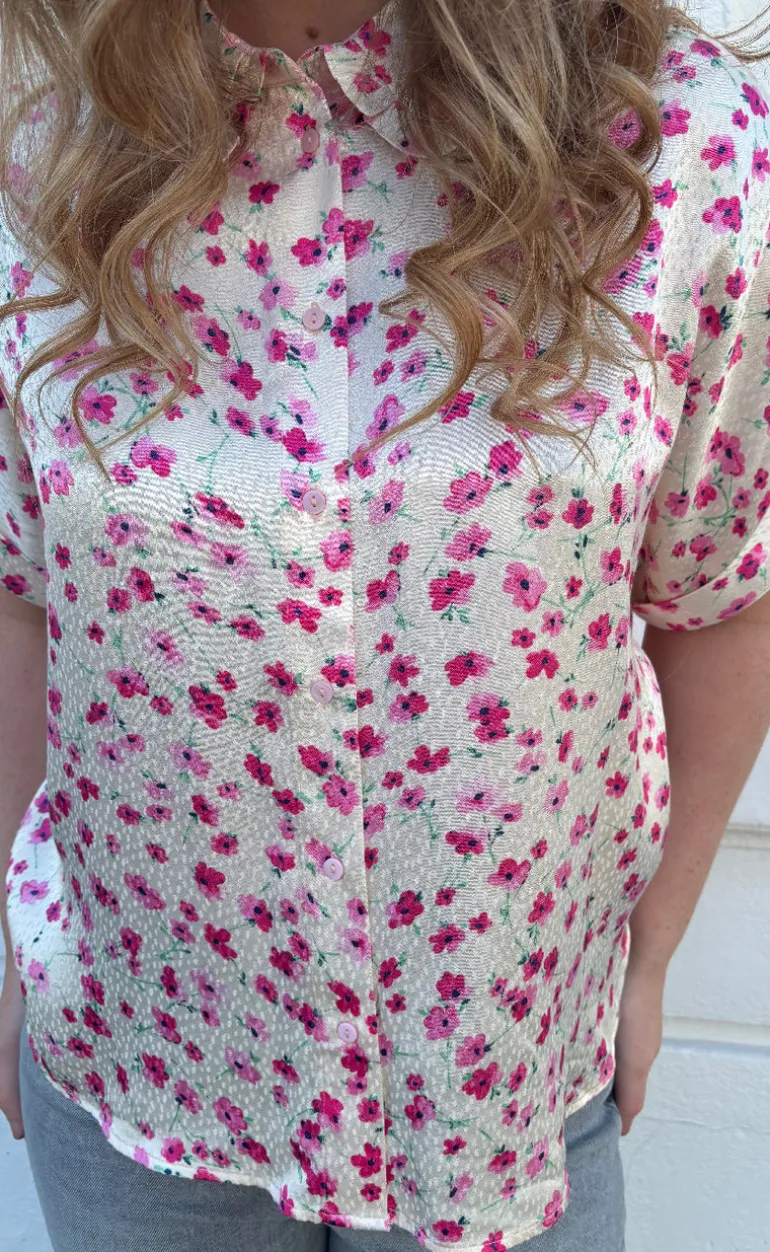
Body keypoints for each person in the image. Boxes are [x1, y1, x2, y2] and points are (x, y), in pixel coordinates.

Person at [0, 1, 769, 1249]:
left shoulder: (664, 140)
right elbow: (23, 580)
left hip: (501, 1083)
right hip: (142, 1062)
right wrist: (18, 934)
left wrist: (651, 950)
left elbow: (720, 585)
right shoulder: (44, 144)